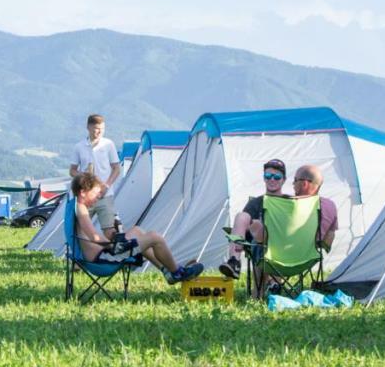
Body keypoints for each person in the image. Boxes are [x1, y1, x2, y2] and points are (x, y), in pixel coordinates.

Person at [70, 172, 203, 284]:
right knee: (155, 237)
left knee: (137, 231)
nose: (99, 197)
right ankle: (177, 273)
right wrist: (113, 245)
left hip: (102, 254)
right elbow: (95, 238)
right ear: (83, 192)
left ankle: (166, 270)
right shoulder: (81, 210)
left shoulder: (77, 206)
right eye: (96, 193)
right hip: (103, 258)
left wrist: (117, 240)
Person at [219, 159, 288, 280]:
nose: (272, 179)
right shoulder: (256, 203)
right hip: (261, 244)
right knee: (242, 217)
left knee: (257, 231)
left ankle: (270, 285)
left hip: (284, 244)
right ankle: (234, 261)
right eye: (268, 176)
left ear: (284, 179)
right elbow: (245, 229)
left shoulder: (290, 202)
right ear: (264, 178)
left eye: (277, 177)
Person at [69, 113, 122, 239]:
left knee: (110, 230)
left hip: (105, 195)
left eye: (102, 129)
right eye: (96, 129)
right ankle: (83, 256)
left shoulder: (109, 144)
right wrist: (84, 176)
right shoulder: (79, 147)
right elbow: (72, 171)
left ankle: (113, 255)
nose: (99, 132)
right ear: (88, 127)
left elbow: (116, 168)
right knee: (80, 230)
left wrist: (107, 185)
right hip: (86, 196)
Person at [291, 164, 338, 252]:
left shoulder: (287, 205)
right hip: (310, 259)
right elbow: (329, 237)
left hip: (282, 259)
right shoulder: (330, 205)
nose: (293, 183)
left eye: (295, 180)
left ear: (304, 184)